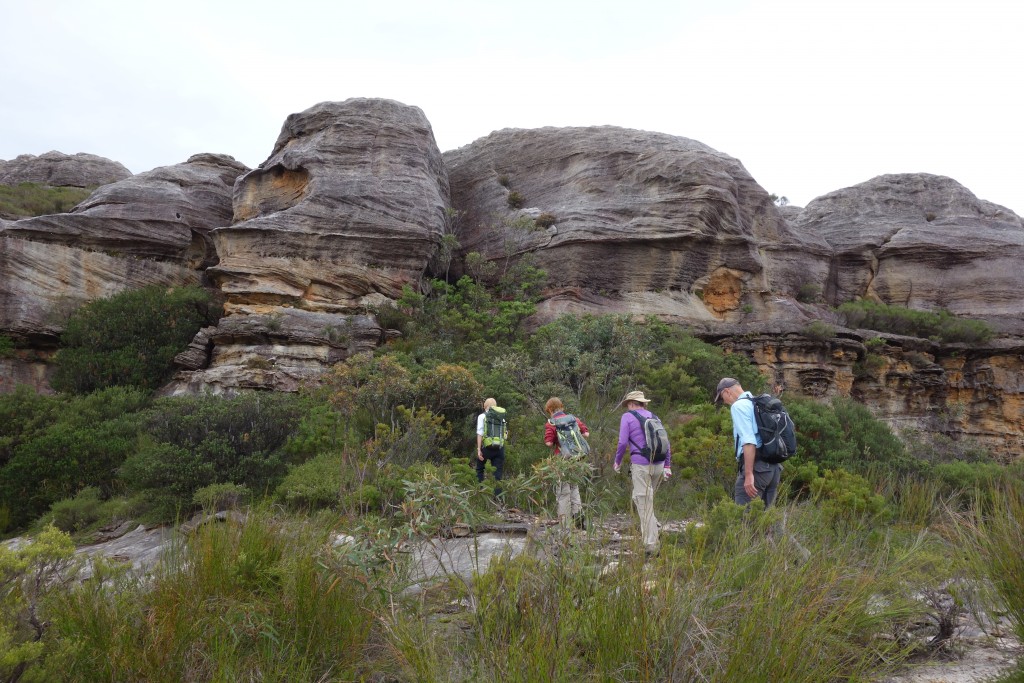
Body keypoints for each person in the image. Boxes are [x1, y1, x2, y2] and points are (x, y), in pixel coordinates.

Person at [613, 390, 671, 556]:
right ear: (643, 403)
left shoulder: (627, 417)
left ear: (631, 403)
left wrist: (617, 461)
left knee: (644, 505)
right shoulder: (654, 417)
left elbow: (623, 442)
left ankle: (651, 546)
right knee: (643, 500)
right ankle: (654, 527)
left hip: (641, 465)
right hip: (659, 466)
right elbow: (666, 441)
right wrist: (667, 465)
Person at [714, 377, 782, 507]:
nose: (725, 402)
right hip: (773, 469)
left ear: (727, 391)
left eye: (722, 397)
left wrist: (749, 474)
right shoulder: (757, 402)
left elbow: (749, 441)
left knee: (744, 519)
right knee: (766, 519)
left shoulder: (738, 406)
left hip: (757, 469)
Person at [543, 397, 590, 529]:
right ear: (562, 407)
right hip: (577, 458)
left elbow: (549, 443)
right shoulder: (573, 419)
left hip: (562, 460)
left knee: (563, 491)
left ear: (550, 410)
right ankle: (579, 519)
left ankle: (565, 525)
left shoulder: (551, 423)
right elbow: (586, 434)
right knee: (574, 487)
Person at [476, 397, 506, 498]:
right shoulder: (501, 417)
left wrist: (479, 449)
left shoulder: (482, 416)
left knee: (480, 469)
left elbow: (480, 433)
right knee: (497, 474)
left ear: (485, 406)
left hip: (487, 447)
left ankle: (479, 494)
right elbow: (505, 434)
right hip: (499, 448)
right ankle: (498, 499)